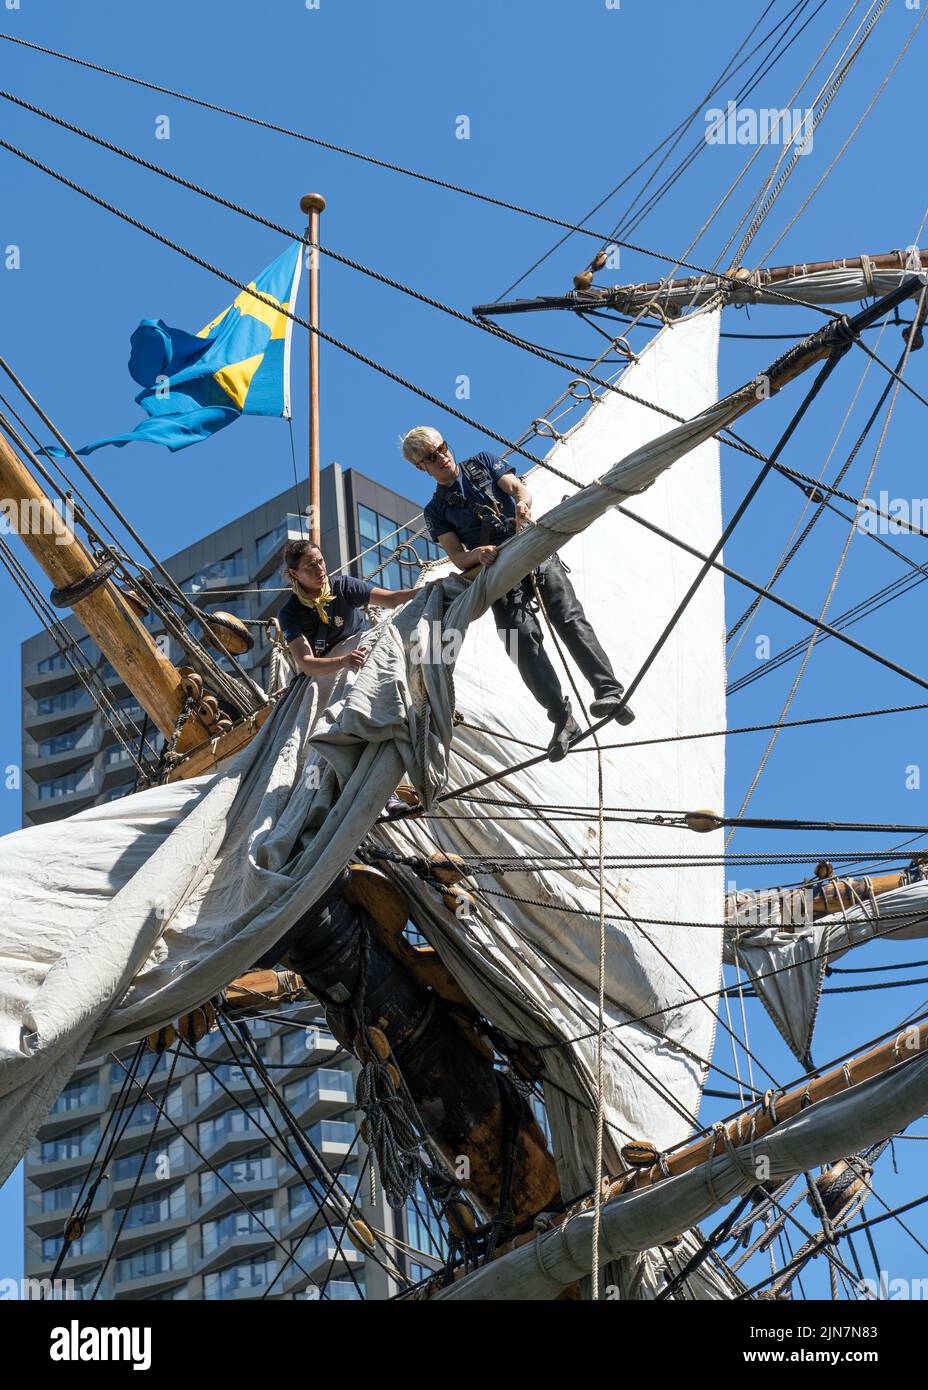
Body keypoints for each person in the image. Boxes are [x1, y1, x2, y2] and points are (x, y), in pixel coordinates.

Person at [402, 426, 634, 761]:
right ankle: (562, 717)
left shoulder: (481, 463)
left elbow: (517, 489)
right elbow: (457, 556)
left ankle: (608, 690)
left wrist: (523, 505)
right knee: (520, 641)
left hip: (531, 547)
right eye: (431, 458)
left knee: (568, 617)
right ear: (421, 467)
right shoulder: (436, 511)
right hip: (497, 571)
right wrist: (477, 554)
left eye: (442, 449)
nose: (442, 459)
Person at [279, 538, 418, 679]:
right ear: (294, 573)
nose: (320, 570)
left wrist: (428, 589)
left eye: (321, 561)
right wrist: (342, 661)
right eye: (311, 566)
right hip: (327, 670)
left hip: (363, 650)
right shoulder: (289, 613)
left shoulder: (343, 586)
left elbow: (392, 599)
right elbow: (307, 664)